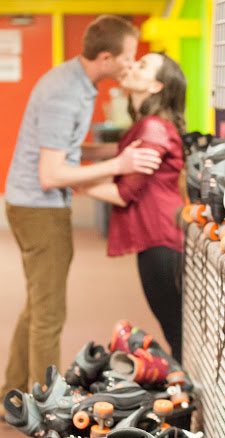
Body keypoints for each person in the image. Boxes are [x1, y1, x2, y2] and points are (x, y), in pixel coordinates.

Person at [0, 15, 161, 411]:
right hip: (39, 209)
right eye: (127, 56)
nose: (130, 63)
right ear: (105, 56)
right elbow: (52, 174)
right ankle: (44, 411)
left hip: (34, 204)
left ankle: (13, 396)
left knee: (38, 305)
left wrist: (114, 152)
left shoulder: (79, 84)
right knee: (49, 315)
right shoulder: (65, 94)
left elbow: (67, 154)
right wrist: (119, 166)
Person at [77, 52, 186, 362]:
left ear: (155, 86)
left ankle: (182, 402)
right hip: (158, 236)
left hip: (161, 238)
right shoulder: (148, 124)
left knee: (176, 330)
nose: (131, 66)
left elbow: (125, 193)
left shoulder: (153, 127)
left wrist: (70, 182)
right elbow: (119, 156)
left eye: (142, 66)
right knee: (175, 328)